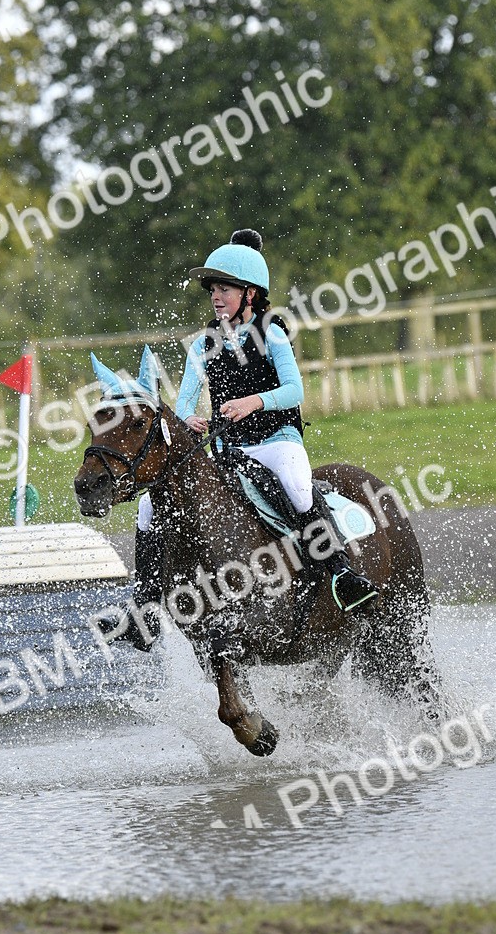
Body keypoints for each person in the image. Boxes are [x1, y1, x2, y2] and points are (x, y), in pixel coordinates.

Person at [114, 229, 378, 650]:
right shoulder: (203, 344)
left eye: (224, 289)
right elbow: (183, 401)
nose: (216, 297)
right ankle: (143, 606)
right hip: (227, 449)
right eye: (213, 290)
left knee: (296, 484)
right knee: (148, 504)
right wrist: (189, 419)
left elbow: (295, 391)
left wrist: (253, 402)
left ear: (250, 294)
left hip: (277, 441)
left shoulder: (271, 332)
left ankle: (341, 573)